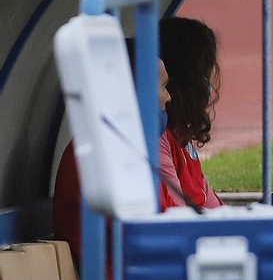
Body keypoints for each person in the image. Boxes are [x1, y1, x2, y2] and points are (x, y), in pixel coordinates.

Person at [53, 17, 225, 266]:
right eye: (163, 86)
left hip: (146, 275)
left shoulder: (122, 146)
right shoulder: (109, 154)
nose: (168, 97)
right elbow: (161, 233)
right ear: (134, 91)